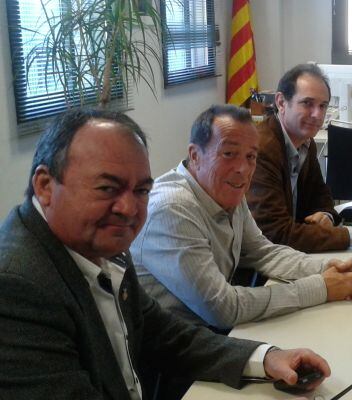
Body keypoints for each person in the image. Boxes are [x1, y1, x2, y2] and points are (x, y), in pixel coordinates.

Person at [0, 109, 330, 399]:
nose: (129, 208)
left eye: (142, 190)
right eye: (106, 188)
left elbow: (163, 334)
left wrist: (264, 358)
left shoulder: (100, 243)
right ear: (45, 186)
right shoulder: (15, 286)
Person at [131, 105, 352, 329]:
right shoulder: (172, 209)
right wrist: (321, 287)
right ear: (195, 155)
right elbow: (222, 308)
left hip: (208, 337)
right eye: (228, 154)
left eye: (250, 157)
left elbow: (263, 251)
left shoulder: (225, 190)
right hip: (172, 360)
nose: (243, 169)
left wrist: (330, 268)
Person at [247, 64, 352, 253]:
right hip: (258, 265)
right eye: (307, 103)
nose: (317, 114)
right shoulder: (262, 149)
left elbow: (320, 195)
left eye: (323, 106)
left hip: (292, 252)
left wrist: (325, 216)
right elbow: (274, 233)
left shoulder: (305, 142)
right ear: (281, 103)